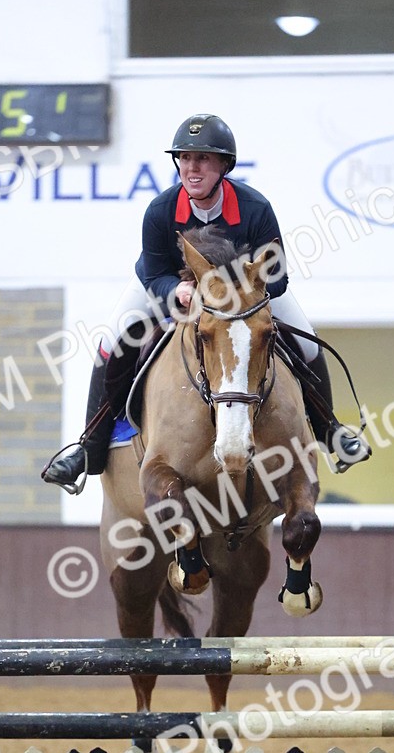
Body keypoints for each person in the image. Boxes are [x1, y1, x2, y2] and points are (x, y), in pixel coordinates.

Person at [44, 113, 365, 487]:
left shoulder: (255, 208)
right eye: (185, 158)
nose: (191, 168)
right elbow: (153, 273)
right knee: (111, 341)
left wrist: (234, 291)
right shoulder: (160, 211)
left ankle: (330, 432)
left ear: (223, 165)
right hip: (166, 286)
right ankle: (88, 447)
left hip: (245, 293)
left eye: (202, 159)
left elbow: (276, 279)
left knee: (307, 339)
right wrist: (174, 291)